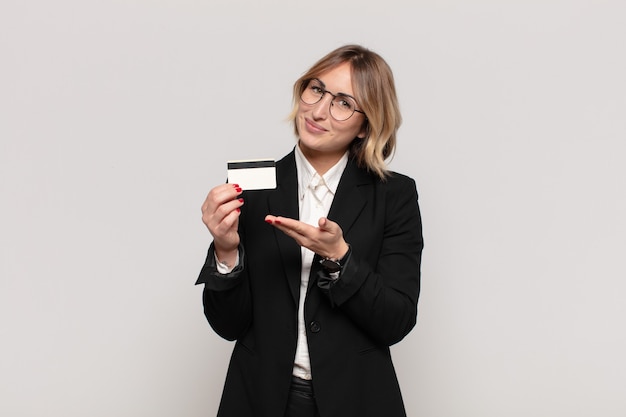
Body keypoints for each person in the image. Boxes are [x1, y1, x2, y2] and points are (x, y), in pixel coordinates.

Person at [196, 44, 423, 417]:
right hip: (261, 399)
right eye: (316, 89)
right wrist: (225, 250)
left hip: (358, 399)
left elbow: (396, 321)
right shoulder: (252, 188)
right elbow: (228, 324)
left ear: (367, 124)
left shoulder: (394, 196)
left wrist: (341, 258)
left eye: (343, 102)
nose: (318, 111)